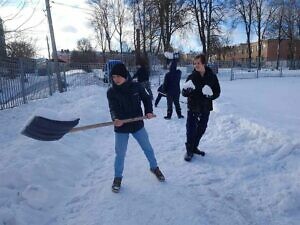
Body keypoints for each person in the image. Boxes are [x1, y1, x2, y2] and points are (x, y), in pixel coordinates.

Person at [107, 63, 165, 193]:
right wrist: (115, 119)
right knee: (120, 154)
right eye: (113, 77)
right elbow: (112, 108)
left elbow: (146, 99)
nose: (115, 79)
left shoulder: (136, 86)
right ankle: (117, 177)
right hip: (121, 126)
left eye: (118, 77)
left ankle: (154, 167)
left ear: (125, 76)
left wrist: (148, 111)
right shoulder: (111, 92)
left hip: (137, 124)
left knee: (148, 148)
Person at [182, 54, 221, 162]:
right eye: (194, 63)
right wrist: (186, 92)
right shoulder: (192, 77)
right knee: (191, 129)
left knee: (202, 129)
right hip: (193, 107)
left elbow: (217, 91)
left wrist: (211, 95)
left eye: (198, 63)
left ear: (204, 63)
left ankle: (194, 147)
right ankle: (189, 150)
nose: (196, 65)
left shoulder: (212, 77)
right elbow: (184, 92)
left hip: (205, 107)